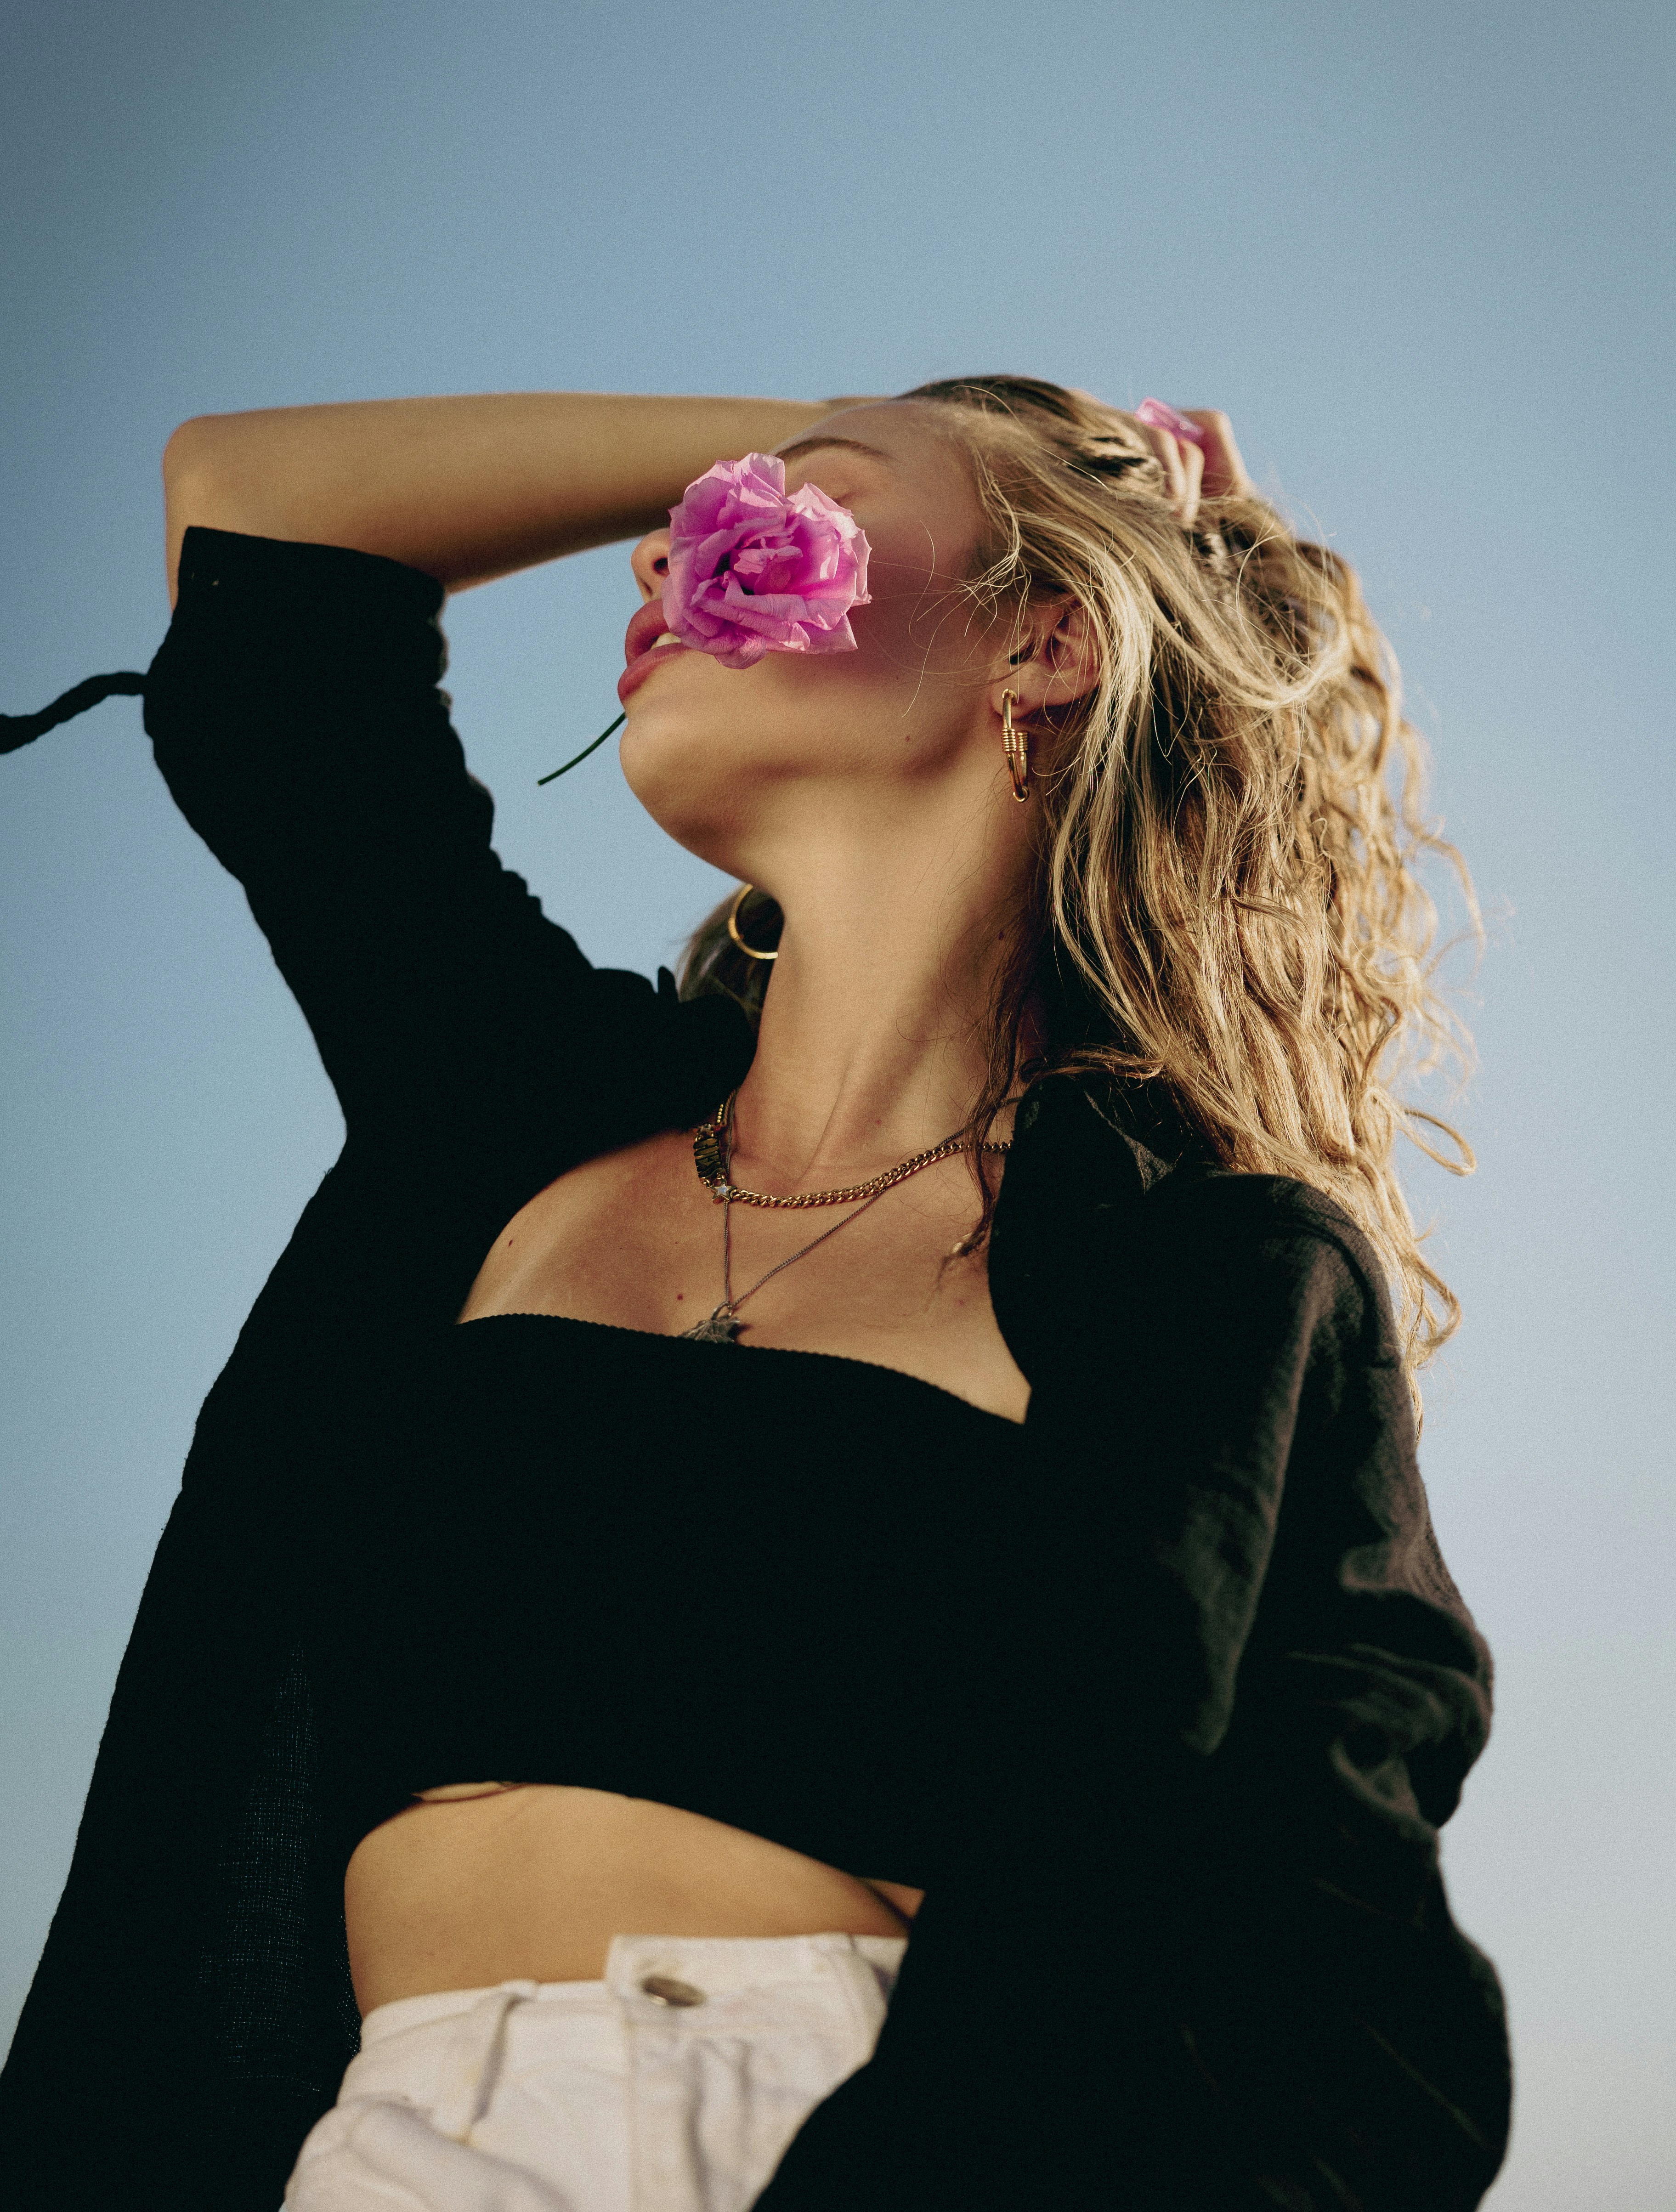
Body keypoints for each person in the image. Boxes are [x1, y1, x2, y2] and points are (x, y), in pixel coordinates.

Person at [0, 379, 1512, 2211]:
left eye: (793, 507)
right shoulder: (509, 1111)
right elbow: (258, 525)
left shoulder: (1219, 1279)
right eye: (698, 515)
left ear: (1043, 644)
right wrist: (828, 436)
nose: (668, 545)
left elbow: (1342, 2013)